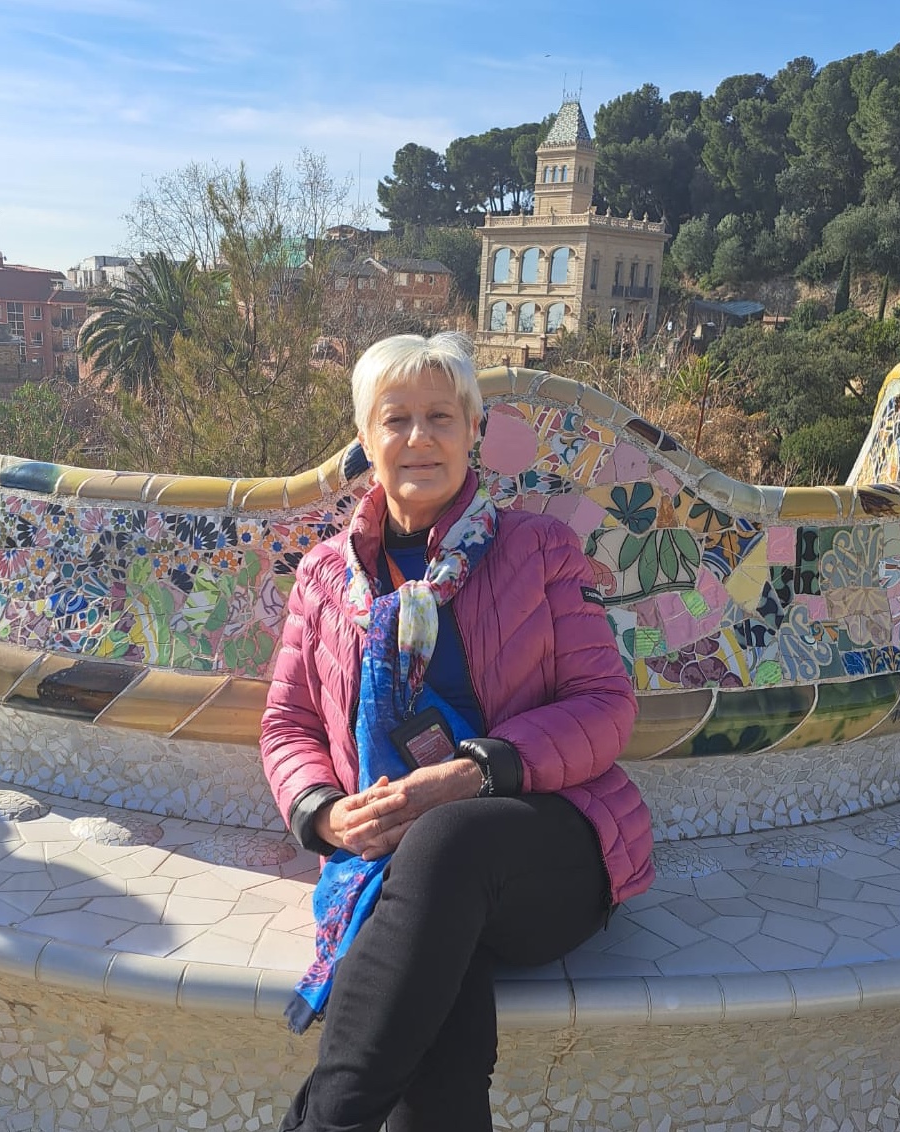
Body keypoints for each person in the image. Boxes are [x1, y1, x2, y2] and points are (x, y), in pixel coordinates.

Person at [260, 331, 654, 1132]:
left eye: (441, 415)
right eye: (395, 418)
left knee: (444, 843)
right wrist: (326, 813)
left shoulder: (537, 548)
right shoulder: (325, 577)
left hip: (544, 845)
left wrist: (472, 775)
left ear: (473, 429)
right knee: (442, 987)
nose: (418, 437)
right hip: (399, 868)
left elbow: (604, 705)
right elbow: (288, 721)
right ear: (365, 440)